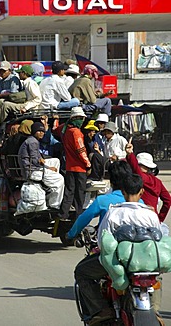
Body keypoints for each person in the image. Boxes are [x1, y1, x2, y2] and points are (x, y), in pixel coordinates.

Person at [73, 173, 160, 325]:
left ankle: (100, 309)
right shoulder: (150, 214)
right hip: (146, 264)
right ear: (142, 192)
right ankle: (156, 311)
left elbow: (102, 243)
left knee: (81, 272)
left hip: (119, 262)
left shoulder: (114, 213)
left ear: (123, 192)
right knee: (157, 277)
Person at [54, 107, 91, 220]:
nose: (82, 121)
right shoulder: (76, 132)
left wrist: (56, 119)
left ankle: (63, 214)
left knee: (69, 191)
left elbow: (55, 129)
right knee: (80, 193)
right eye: (81, 118)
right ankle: (78, 214)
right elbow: (81, 150)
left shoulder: (64, 129)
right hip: (80, 168)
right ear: (75, 118)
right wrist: (88, 164)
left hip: (69, 166)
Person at [18, 122, 64, 209]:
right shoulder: (33, 142)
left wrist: (43, 161)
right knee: (60, 179)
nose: (42, 133)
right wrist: (49, 168)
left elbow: (37, 158)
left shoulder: (32, 140)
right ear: (34, 132)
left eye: (43, 131)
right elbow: (35, 161)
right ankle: (54, 204)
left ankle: (49, 183)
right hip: (32, 170)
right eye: (39, 131)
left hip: (34, 167)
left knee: (56, 161)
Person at [0, 65, 42, 132]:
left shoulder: (31, 83)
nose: (18, 74)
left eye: (20, 73)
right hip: (25, 104)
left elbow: (38, 99)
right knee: (0, 102)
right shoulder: (25, 83)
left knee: (6, 105)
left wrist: (26, 108)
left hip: (29, 106)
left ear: (24, 73)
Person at [125, 141, 171, 222]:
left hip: (140, 217)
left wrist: (130, 154)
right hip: (154, 218)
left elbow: (135, 167)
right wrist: (160, 218)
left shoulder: (141, 177)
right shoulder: (157, 181)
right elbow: (168, 200)